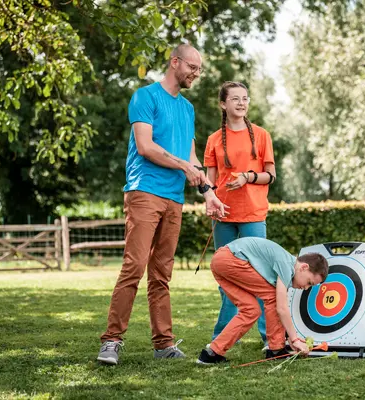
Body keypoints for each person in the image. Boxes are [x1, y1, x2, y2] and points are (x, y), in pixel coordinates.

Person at [97, 44, 228, 365]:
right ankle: (112, 340)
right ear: (175, 62)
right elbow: (145, 146)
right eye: (193, 67)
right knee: (134, 267)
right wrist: (183, 167)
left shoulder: (187, 109)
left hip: (174, 199)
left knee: (161, 274)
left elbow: (192, 158)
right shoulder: (145, 97)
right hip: (144, 192)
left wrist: (209, 192)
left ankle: (163, 344)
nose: (196, 74)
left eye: (200, 69)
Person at [203, 81, 277, 349]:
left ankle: (270, 338)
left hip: (254, 216)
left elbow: (271, 175)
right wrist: (209, 201)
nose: (242, 103)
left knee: (261, 278)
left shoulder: (261, 135)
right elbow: (210, 182)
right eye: (235, 99)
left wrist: (247, 177)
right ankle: (221, 338)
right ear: (223, 104)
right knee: (226, 280)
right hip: (223, 217)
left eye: (245, 98)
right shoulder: (213, 140)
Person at [196, 237, 329, 365]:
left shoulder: (290, 267)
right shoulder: (287, 264)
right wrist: (294, 339)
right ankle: (276, 350)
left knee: (251, 310)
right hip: (230, 258)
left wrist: (289, 336)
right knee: (273, 296)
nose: (306, 288)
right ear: (304, 267)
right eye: (309, 283)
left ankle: (211, 354)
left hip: (220, 261)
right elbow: (281, 308)